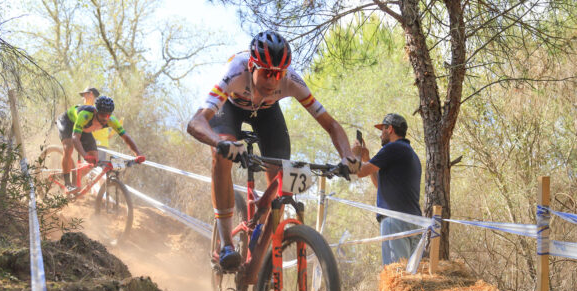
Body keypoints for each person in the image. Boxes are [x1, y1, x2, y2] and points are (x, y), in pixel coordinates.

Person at [187, 30, 359, 270]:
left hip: (267, 114)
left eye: (278, 74)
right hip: (231, 110)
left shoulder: (292, 80)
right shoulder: (236, 70)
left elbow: (331, 125)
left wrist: (347, 155)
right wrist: (220, 143)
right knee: (221, 153)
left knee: (281, 178)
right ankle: (226, 244)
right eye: (267, 72)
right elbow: (196, 122)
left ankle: (258, 255)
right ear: (252, 66)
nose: (272, 80)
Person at [353, 113, 422, 265]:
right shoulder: (410, 153)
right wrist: (367, 159)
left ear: (390, 129)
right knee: (411, 276)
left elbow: (359, 172)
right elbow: (380, 185)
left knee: (395, 273)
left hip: (394, 220)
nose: (380, 134)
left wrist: (354, 155)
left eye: (382, 129)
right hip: (414, 222)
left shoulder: (393, 148)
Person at [56, 95, 145, 190]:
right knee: (69, 147)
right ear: (95, 111)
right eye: (103, 115)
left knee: (94, 159)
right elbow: (75, 137)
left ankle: (76, 180)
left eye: (108, 115)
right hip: (67, 122)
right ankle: (67, 183)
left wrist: (138, 154)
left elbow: (126, 137)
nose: (105, 118)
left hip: (84, 128)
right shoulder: (85, 115)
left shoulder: (112, 120)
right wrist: (85, 156)